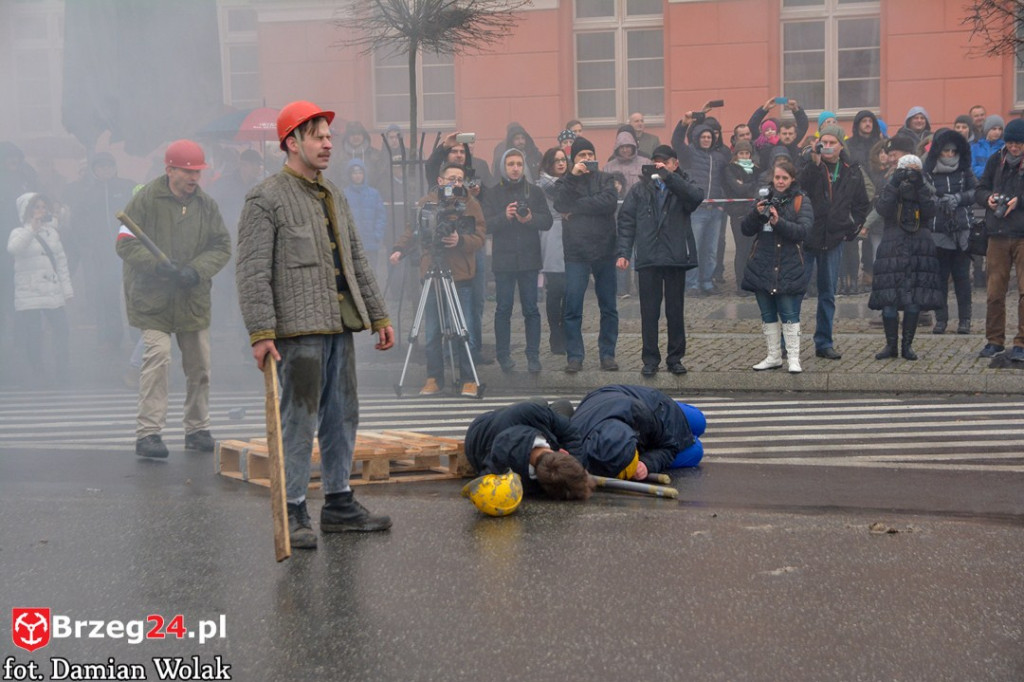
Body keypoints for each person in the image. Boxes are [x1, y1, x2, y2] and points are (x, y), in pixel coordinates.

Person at [236, 101, 396, 548]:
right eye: (318, 136)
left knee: (342, 415)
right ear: (292, 142)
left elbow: (356, 259)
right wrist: (261, 333)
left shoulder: (335, 194)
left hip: (338, 325)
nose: (328, 144)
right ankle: (293, 509)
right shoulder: (265, 198)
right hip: (296, 331)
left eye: (329, 136)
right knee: (298, 420)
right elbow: (252, 271)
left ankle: (339, 502)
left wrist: (378, 314)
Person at [116, 139, 231, 459]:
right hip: (153, 299)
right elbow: (125, 243)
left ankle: (197, 428)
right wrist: (157, 266)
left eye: (198, 172)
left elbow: (221, 246)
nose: (195, 178)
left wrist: (197, 270)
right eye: (188, 171)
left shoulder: (207, 205)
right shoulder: (146, 200)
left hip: (191, 297)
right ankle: (148, 433)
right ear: (170, 170)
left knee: (200, 366)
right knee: (158, 359)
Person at [390, 162, 486, 395]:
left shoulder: (470, 204)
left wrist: (460, 240)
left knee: (465, 329)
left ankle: (468, 379)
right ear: (440, 180)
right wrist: (400, 250)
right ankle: (434, 377)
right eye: (452, 178)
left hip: (460, 274)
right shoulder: (426, 203)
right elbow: (412, 231)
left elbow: (480, 236)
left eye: (460, 179)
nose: (456, 183)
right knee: (432, 330)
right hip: (431, 271)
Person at [616, 144, 703, 376]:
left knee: (675, 311)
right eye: (656, 161)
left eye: (665, 161)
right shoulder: (639, 189)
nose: (659, 164)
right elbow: (626, 221)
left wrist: (671, 178)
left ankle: (675, 359)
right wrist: (623, 252)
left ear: (675, 163)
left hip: (675, 256)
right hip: (648, 257)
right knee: (649, 311)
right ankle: (650, 360)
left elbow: (695, 198)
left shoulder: (683, 184)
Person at [797, 124, 871, 360]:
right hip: (808, 237)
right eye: (824, 142)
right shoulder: (811, 165)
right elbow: (799, 187)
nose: (827, 147)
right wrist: (815, 163)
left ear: (841, 145)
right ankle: (787, 342)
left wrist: (853, 227)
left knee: (828, 293)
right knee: (796, 292)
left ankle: (824, 342)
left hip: (834, 238)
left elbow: (861, 203)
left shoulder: (852, 171)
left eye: (832, 143)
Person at [553, 136, 620, 373]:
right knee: (572, 307)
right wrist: (573, 175)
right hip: (576, 253)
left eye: (590, 155)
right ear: (574, 159)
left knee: (609, 306)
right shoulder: (565, 181)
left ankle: (607, 354)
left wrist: (577, 207)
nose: (587, 159)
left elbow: (609, 203)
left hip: (605, 250)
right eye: (582, 155)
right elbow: (560, 204)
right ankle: (575, 356)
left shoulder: (605, 178)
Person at [484, 148, 553, 373]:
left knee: (531, 309)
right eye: (511, 164)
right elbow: (485, 225)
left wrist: (530, 218)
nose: (515, 168)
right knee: (503, 308)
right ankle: (503, 356)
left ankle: (533, 356)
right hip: (503, 260)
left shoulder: (534, 192)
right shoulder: (493, 193)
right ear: (504, 166)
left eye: (518, 164)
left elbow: (547, 221)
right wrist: (504, 216)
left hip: (529, 259)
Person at [740, 160, 813, 373]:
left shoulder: (801, 200)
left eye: (784, 178)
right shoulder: (762, 197)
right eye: (777, 177)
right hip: (763, 262)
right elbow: (745, 229)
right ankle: (773, 356)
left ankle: (793, 358)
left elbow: (804, 231)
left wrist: (778, 222)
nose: (780, 182)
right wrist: (756, 213)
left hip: (789, 263)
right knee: (768, 314)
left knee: (790, 314)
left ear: (792, 180)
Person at [868, 154, 942, 360]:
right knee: (889, 298)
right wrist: (894, 182)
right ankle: (890, 345)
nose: (910, 174)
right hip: (892, 245)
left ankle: (907, 346)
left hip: (920, 247)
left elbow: (931, 211)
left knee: (913, 299)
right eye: (906, 169)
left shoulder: (926, 187)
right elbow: (882, 209)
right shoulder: (890, 185)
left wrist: (919, 185)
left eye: (913, 170)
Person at [64, 152, 137, 352]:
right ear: (94, 170)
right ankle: (112, 338)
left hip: (130, 252)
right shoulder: (87, 193)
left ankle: (138, 335)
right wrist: (88, 245)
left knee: (134, 294)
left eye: (108, 166)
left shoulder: (128, 186)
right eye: (101, 167)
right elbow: (77, 222)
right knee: (107, 297)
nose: (105, 170)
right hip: (103, 255)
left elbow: (144, 210)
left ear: (115, 168)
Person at [464, 399, 593, 500]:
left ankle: (542, 405)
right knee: (548, 406)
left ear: (562, 452)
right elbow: (483, 484)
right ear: (563, 451)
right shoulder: (528, 413)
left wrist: (574, 466)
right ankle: (541, 404)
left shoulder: (530, 416)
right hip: (486, 427)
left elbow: (570, 433)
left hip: (506, 426)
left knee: (560, 406)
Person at [570, 385, 705, 480]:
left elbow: (669, 445)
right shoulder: (575, 443)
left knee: (699, 422)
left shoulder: (640, 415)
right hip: (620, 399)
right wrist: (647, 463)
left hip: (653, 404)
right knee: (696, 451)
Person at [7, 193, 74, 384]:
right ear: (27, 211)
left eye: (43, 207)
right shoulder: (18, 232)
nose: (41, 211)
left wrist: (67, 290)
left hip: (52, 290)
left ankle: (62, 368)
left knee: (62, 330)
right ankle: (37, 369)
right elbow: (14, 249)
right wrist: (31, 230)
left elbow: (61, 262)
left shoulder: (53, 233)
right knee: (33, 334)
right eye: (36, 207)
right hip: (29, 292)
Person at [974, 117, 1024, 362]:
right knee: (995, 292)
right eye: (1011, 143)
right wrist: (988, 199)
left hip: (1023, 235)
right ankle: (994, 341)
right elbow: (980, 188)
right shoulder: (996, 160)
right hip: (997, 235)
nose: (1014, 148)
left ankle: (1022, 343)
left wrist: (1019, 201)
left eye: (1019, 144)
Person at [923, 128, 976, 335]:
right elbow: (922, 195)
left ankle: (965, 320)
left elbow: (976, 192)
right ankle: (941, 320)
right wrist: (935, 201)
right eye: (946, 151)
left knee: (962, 278)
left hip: (961, 230)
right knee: (939, 279)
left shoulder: (964, 171)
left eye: (953, 152)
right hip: (937, 231)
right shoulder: (927, 172)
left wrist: (958, 199)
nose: (950, 155)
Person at [672, 115, 729, 295]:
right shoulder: (689, 154)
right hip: (696, 211)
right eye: (703, 137)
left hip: (715, 211)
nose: (706, 140)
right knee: (693, 249)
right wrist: (683, 124)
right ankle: (693, 285)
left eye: (709, 137)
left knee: (711, 250)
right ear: (697, 138)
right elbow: (676, 142)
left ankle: (707, 282)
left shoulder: (719, 157)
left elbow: (725, 181)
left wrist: (721, 204)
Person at [538, 147, 568, 355]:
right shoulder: (543, 184)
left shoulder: (572, 181)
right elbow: (560, 196)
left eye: (563, 159)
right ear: (549, 163)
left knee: (569, 290)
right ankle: (555, 335)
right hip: (552, 234)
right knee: (555, 289)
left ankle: (566, 332)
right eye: (556, 160)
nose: (561, 163)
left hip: (571, 235)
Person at [722, 140, 761, 293]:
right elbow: (736, 189)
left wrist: (746, 185)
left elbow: (760, 187)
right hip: (738, 213)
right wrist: (748, 186)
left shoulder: (756, 169)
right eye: (741, 153)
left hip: (753, 213)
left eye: (747, 153)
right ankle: (740, 284)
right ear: (736, 155)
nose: (745, 156)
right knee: (741, 249)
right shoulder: (730, 169)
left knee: (753, 248)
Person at [342, 158, 387, 277]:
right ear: (350, 175)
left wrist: (377, 235)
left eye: (360, 172)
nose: (357, 176)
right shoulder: (344, 194)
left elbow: (381, 216)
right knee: (353, 275)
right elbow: (341, 218)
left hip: (370, 243)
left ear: (364, 174)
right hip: (352, 244)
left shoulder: (374, 194)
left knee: (371, 274)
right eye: (354, 173)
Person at [603, 129, 650, 193]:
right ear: (617, 148)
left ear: (633, 147)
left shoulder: (646, 163)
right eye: (622, 147)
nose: (625, 150)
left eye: (628, 146)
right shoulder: (608, 167)